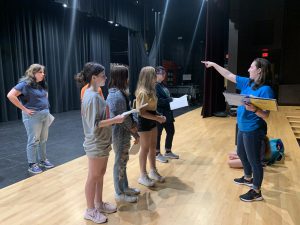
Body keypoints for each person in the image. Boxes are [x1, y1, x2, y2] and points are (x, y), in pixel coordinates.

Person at [202, 58, 274, 202]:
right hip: (241, 126)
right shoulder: (248, 82)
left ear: (259, 70)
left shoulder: (266, 89)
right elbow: (228, 75)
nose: (248, 70)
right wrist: (214, 64)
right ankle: (247, 178)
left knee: (255, 161)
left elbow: (265, 115)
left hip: (253, 129)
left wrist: (254, 109)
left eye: (251, 67)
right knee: (241, 153)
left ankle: (256, 191)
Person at [75, 62, 125, 224]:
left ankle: (98, 203)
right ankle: (90, 210)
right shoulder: (91, 97)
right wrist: (115, 120)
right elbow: (94, 124)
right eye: (103, 75)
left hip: (102, 141)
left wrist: (112, 120)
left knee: (99, 175)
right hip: (95, 142)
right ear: (94, 77)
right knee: (93, 176)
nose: (106, 78)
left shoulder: (96, 93)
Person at [7, 64, 54, 174]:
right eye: (40, 72)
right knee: (33, 140)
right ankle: (32, 164)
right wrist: (24, 109)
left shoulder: (41, 84)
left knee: (43, 139)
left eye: (43, 72)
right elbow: (11, 95)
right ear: (33, 73)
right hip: (33, 116)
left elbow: (45, 96)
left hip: (44, 115)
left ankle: (43, 160)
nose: (43, 74)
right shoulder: (25, 84)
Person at [106, 64, 140, 203]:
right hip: (120, 134)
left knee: (123, 162)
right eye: (126, 76)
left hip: (124, 133)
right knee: (120, 163)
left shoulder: (119, 93)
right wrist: (134, 131)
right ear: (122, 77)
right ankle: (119, 192)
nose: (128, 79)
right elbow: (123, 119)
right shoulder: (117, 96)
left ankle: (125, 187)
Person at [135, 66, 166, 187]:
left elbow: (152, 109)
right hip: (144, 122)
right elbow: (142, 112)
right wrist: (157, 118)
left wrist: (159, 115)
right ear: (149, 77)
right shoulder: (142, 93)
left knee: (153, 147)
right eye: (154, 74)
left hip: (152, 120)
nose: (156, 76)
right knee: (145, 149)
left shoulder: (152, 90)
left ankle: (153, 170)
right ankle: (143, 175)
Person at [155, 66, 179, 163]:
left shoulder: (162, 85)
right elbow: (158, 101)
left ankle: (168, 151)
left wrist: (172, 100)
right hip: (159, 113)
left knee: (171, 131)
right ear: (156, 73)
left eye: (165, 73)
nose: (164, 75)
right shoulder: (154, 86)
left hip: (168, 113)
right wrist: (169, 100)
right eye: (162, 73)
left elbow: (166, 97)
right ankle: (157, 153)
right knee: (158, 134)